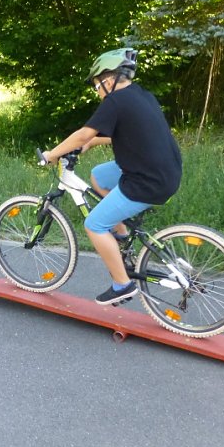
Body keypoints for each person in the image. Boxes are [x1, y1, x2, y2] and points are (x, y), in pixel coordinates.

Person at [42, 48, 182, 305]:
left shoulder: (115, 101)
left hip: (147, 181)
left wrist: (52, 154)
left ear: (108, 80)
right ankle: (120, 231)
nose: (98, 91)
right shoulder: (141, 95)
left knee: (93, 225)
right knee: (100, 176)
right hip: (165, 170)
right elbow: (129, 131)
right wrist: (94, 143)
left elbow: (83, 133)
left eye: (97, 85)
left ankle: (122, 285)